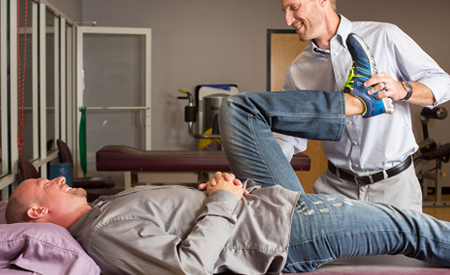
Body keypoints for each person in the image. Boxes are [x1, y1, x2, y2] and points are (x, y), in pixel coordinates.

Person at [6, 80, 450, 274]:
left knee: (237, 108)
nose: (58, 179)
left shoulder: (103, 212)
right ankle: (362, 105)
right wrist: (221, 199)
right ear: (39, 211)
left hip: (257, 202)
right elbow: (189, 268)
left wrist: (215, 194)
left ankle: (357, 103)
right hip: (278, 229)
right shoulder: (103, 236)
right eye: (48, 184)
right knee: (407, 227)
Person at [274, 0, 450, 212]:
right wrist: (253, 168)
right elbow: (289, 136)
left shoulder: (384, 36)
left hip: (395, 189)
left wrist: (402, 89)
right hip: (336, 190)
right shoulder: (298, 70)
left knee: (398, 251)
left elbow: (443, 83)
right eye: (285, 10)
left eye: (294, 7)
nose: (287, 19)